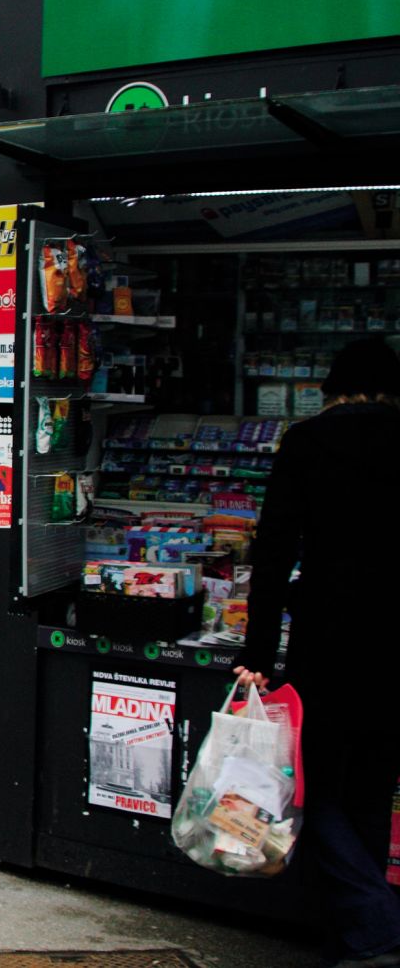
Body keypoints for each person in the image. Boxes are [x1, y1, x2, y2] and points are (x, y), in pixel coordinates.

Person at [234, 338, 400, 968]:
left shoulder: (308, 442)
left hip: (328, 639)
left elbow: (273, 554)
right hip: (394, 647)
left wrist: (258, 651)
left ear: (333, 388)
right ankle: (357, 934)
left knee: (310, 790)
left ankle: (377, 926)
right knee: (371, 788)